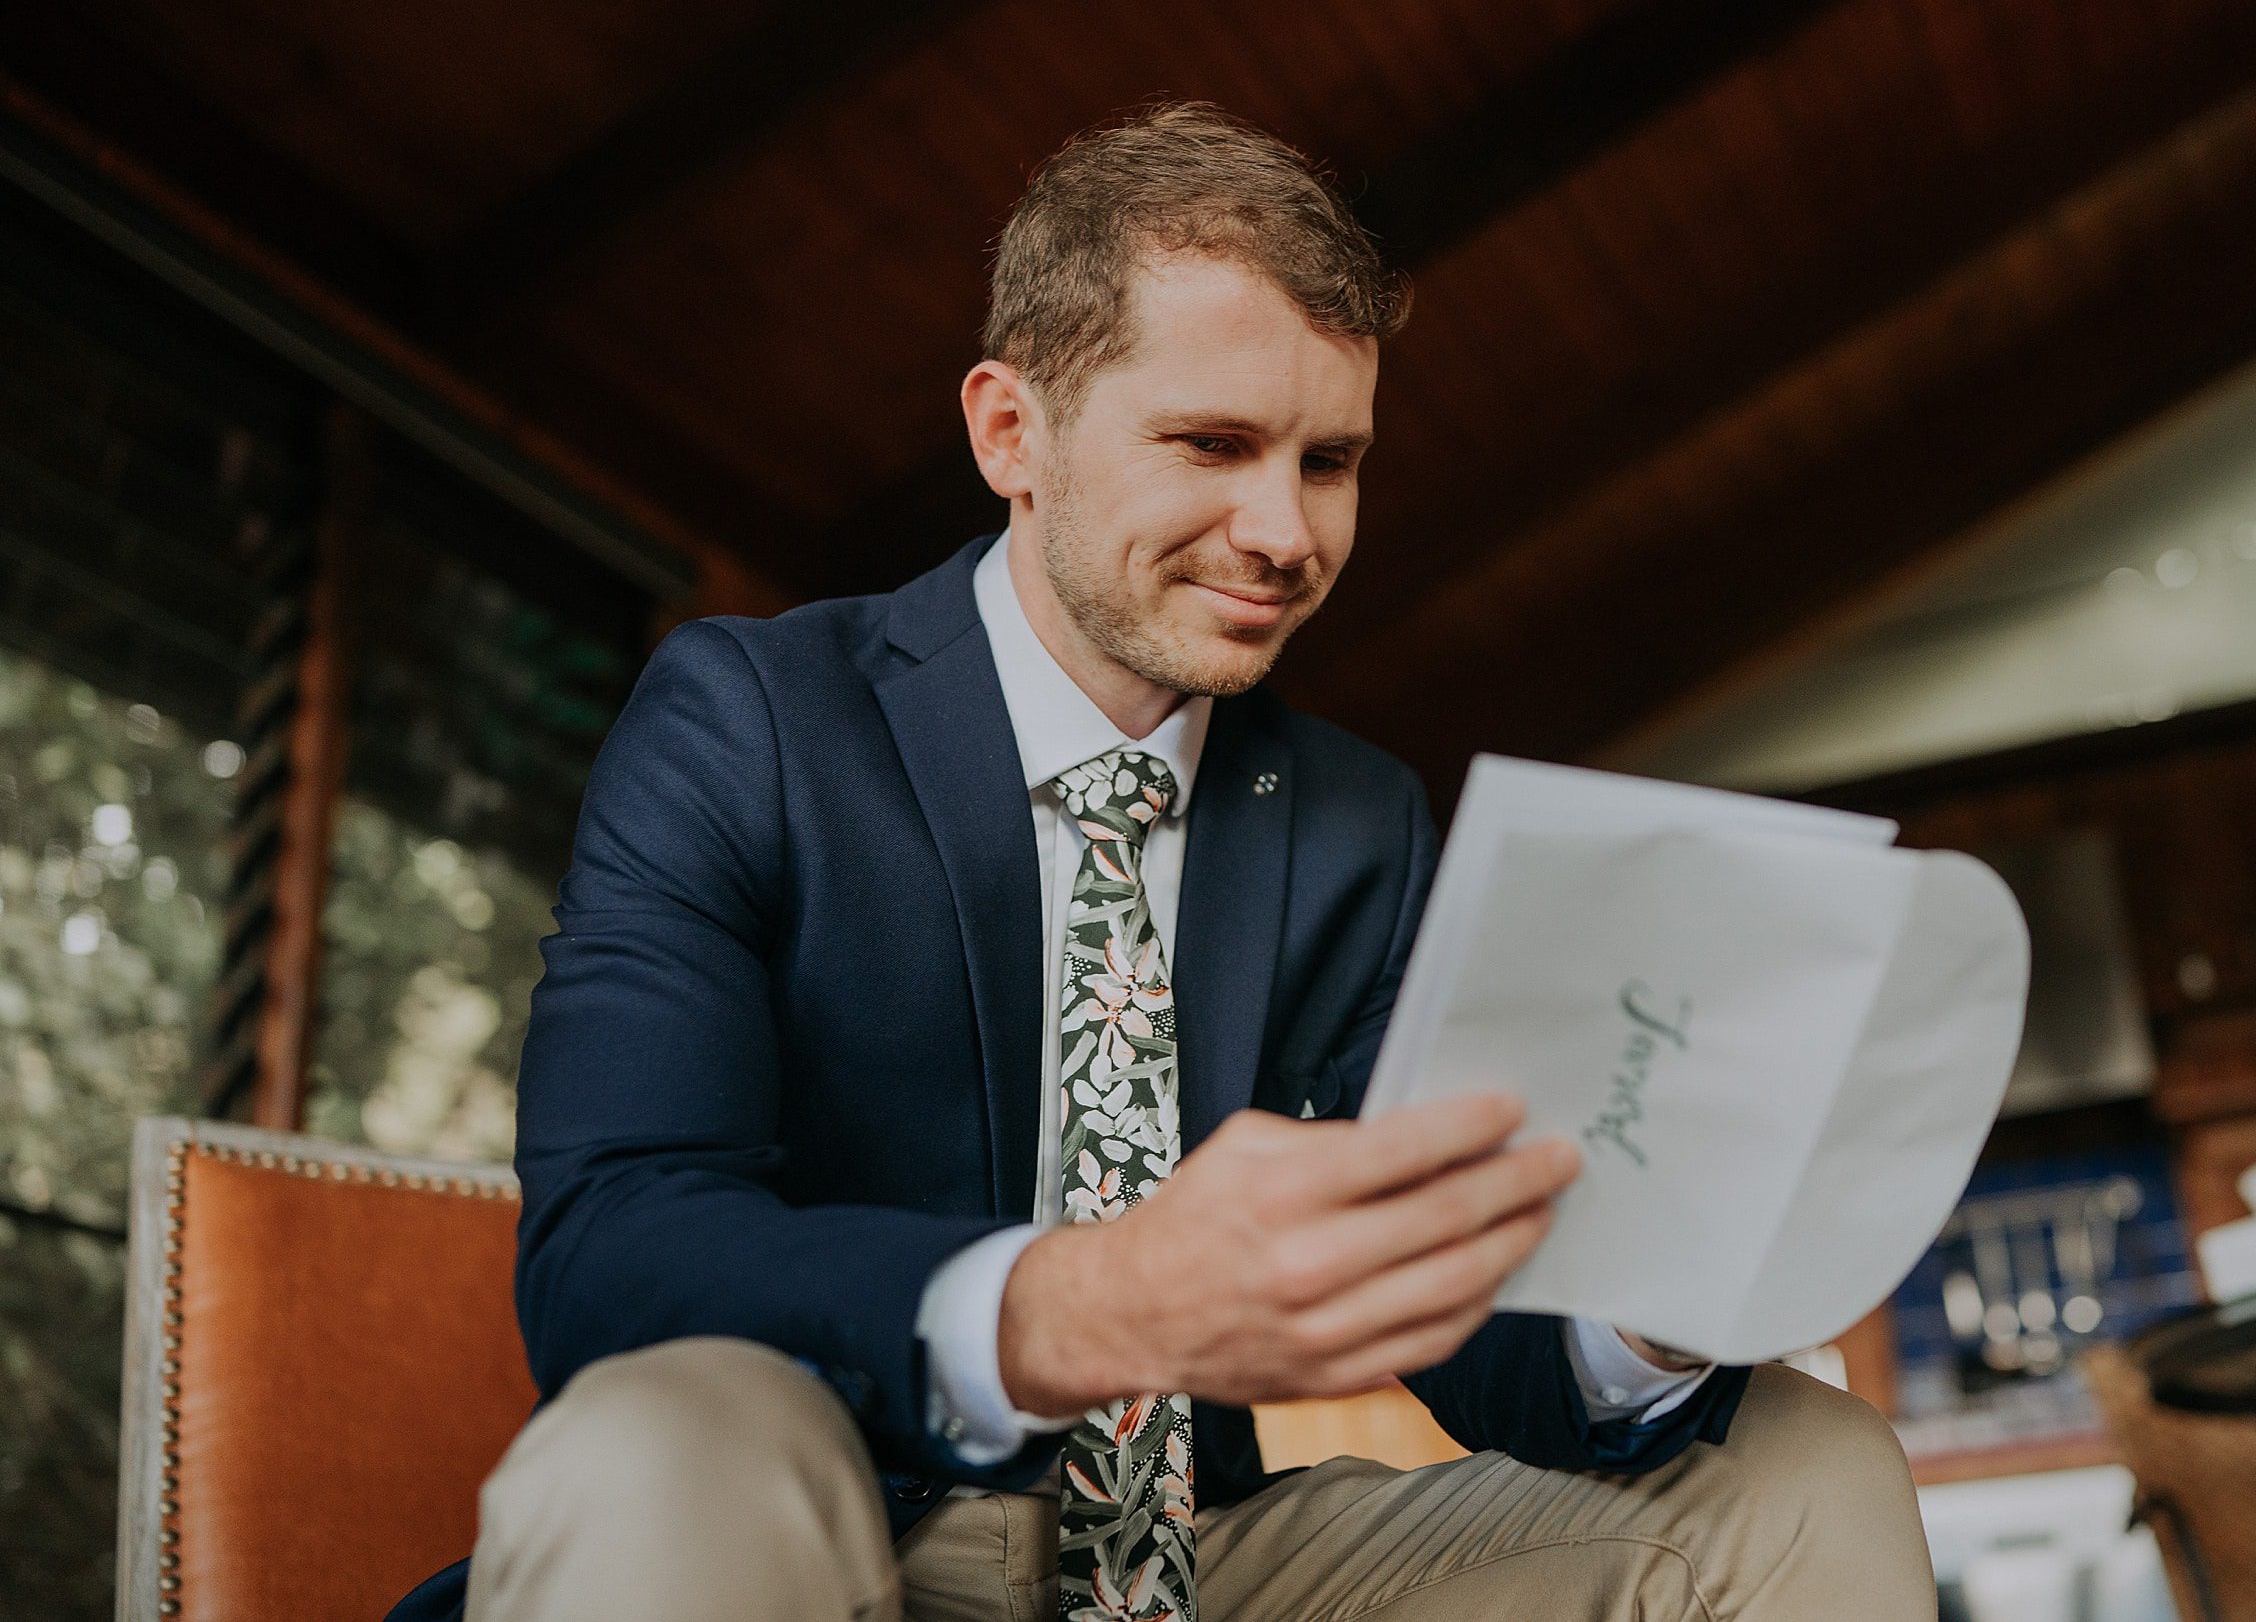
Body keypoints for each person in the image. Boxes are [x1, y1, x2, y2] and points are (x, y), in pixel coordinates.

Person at [388, 101, 1930, 1622]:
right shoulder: (753, 719)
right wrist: (1075, 1305)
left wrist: (1662, 1295)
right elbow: (614, 1255)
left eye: (1330, 461)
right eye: (1213, 443)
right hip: (826, 1525)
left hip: (1201, 1563)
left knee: (1803, 1466)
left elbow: (1486, 1350)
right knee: (665, 1435)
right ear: (1014, 432)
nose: (1284, 531)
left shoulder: (1358, 823)